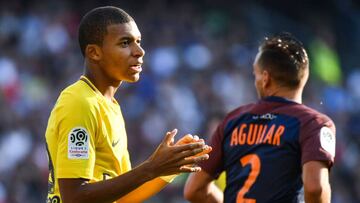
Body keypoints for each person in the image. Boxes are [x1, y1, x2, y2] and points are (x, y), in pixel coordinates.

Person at [45, 6, 211, 203]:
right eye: (125, 43)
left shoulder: (111, 106)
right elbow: (74, 197)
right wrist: (151, 167)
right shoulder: (80, 102)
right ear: (94, 52)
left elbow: (123, 198)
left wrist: (167, 169)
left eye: (139, 42)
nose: (139, 51)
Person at [184, 32, 336, 203]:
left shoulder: (232, 121)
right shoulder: (314, 123)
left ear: (265, 78)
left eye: (254, 73)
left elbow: (193, 189)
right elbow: (315, 188)